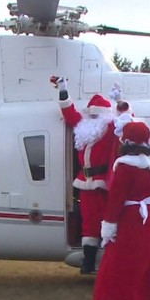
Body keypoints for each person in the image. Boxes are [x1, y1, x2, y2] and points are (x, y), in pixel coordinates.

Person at [88, 121, 150, 300]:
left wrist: (108, 227)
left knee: (117, 267)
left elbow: (116, 200)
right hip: (148, 221)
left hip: (130, 221)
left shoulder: (124, 165)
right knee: (145, 269)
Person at [52, 76, 118, 274]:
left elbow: (126, 120)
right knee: (89, 220)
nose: (94, 118)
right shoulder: (82, 125)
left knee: (108, 219)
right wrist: (63, 90)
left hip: (103, 182)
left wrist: (119, 101)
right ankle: (89, 262)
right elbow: (69, 112)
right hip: (83, 182)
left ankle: (108, 261)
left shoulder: (111, 128)